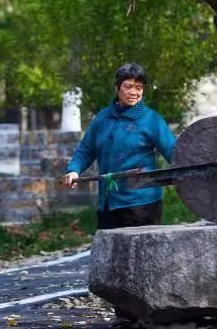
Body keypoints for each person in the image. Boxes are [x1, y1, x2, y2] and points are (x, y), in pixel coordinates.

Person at [63, 63, 176, 229]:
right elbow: (86, 150)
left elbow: (174, 153)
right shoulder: (103, 117)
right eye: (128, 86)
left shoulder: (151, 120)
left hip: (142, 205)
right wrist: (73, 170)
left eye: (139, 87)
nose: (134, 92)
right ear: (117, 87)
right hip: (108, 203)